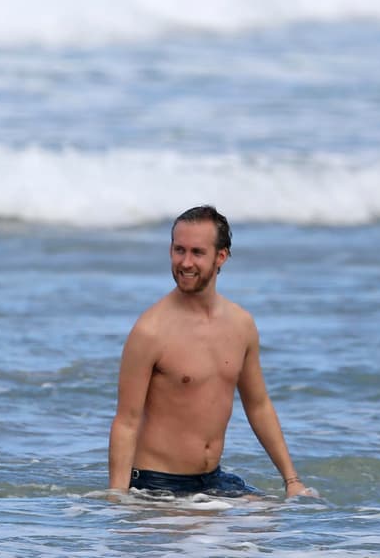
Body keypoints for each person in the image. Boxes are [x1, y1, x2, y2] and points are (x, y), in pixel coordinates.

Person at [107, 205, 313, 499]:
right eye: (179, 250)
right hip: (157, 484)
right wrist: (117, 497)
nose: (185, 262)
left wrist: (292, 481)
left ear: (221, 257)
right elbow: (126, 421)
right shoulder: (150, 331)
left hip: (212, 481)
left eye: (197, 252)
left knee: (283, 518)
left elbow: (259, 405)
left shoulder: (241, 324)